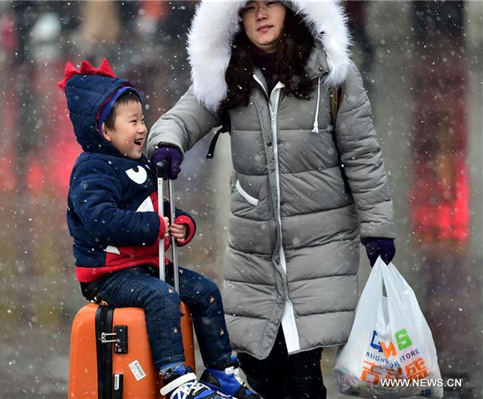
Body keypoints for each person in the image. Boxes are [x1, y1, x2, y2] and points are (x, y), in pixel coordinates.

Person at [147, 1, 396, 398]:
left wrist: (377, 227)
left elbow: (363, 156)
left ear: (292, 10)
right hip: (254, 248)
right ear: (235, 18)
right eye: (250, 8)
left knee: (303, 371)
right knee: (259, 366)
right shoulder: (229, 75)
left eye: (271, 5)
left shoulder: (328, 73)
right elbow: (179, 118)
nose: (261, 16)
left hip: (320, 244)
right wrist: (168, 145)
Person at [59, 59, 259, 399]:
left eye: (142, 119)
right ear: (104, 131)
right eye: (132, 121)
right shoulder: (92, 170)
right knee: (162, 296)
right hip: (109, 275)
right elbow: (100, 221)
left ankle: (221, 369)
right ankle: (175, 377)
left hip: (145, 266)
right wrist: (155, 227)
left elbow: (159, 209)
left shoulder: (139, 165)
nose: (142, 128)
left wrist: (181, 223)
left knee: (205, 291)